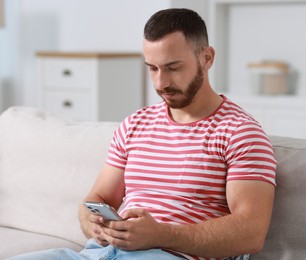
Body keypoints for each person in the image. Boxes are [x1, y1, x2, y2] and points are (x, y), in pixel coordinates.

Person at [8, 8, 276, 260]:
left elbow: (251, 232)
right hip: (97, 253)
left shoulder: (240, 132)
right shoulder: (135, 124)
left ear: (207, 58)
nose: (161, 83)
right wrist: (94, 224)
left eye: (173, 67)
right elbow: (96, 198)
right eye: (152, 68)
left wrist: (162, 235)